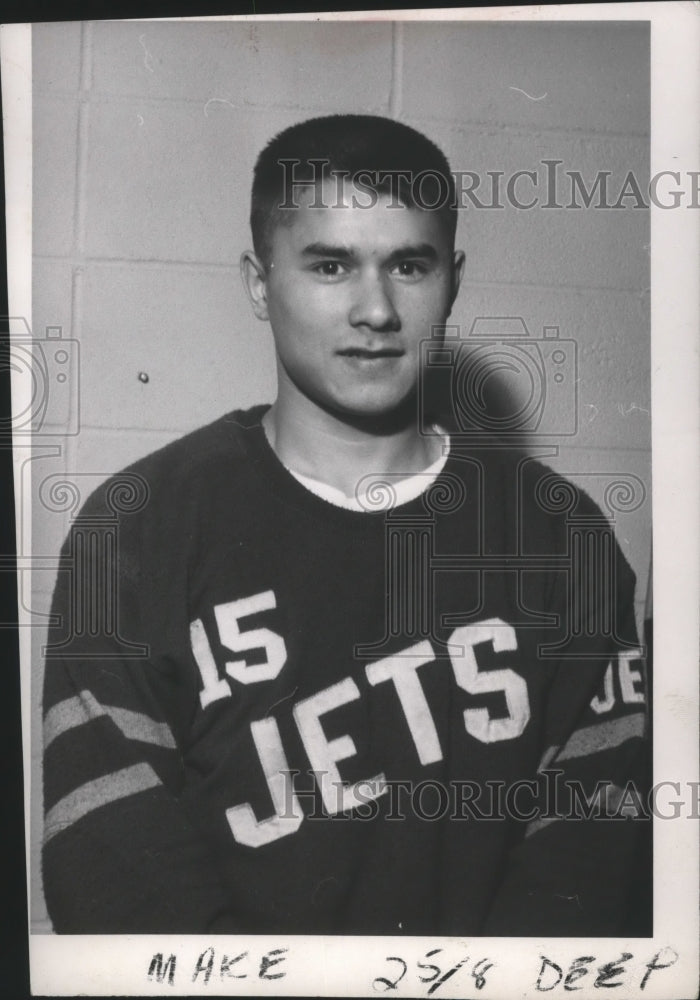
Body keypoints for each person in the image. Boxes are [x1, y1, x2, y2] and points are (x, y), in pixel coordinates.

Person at [41, 114, 650, 935]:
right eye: (330, 265)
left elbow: (595, 854)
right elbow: (111, 864)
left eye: (409, 264)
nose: (376, 308)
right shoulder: (138, 527)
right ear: (260, 282)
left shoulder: (559, 536)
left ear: (453, 280)